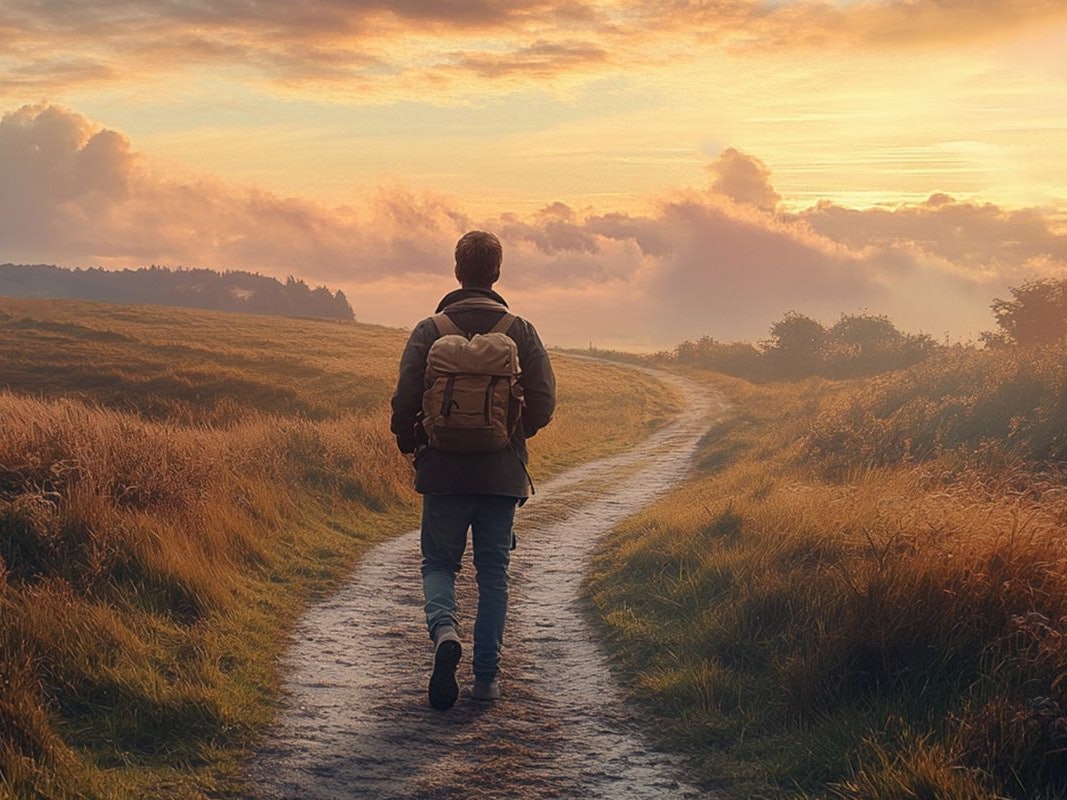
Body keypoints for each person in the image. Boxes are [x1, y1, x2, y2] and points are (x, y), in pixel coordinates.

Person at [390, 230, 556, 710]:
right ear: (497, 272)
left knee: (439, 564)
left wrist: (413, 443)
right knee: (493, 574)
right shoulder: (520, 331)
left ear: (457, 271)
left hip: (442, 471)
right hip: (500, 474)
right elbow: (544, 402)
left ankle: (445, 631)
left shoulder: (429, 330)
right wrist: (513, 434)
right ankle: (486, 679)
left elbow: (404, 400)